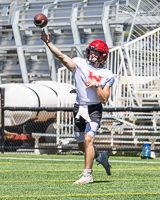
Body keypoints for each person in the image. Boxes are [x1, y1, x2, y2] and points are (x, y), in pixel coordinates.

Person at [41, 29, 115, 184]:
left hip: (94, 108)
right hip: (79, 107)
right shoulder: (80, 64)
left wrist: (97, 86)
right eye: (90, 52)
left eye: (95, 53)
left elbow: (104, 99)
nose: (91, 55)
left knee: (89, 140)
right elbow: (62, 56)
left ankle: (87, 175)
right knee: (82, 144)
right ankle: (101, 156)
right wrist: (49, 43)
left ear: (103, 56)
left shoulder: (107, 74)